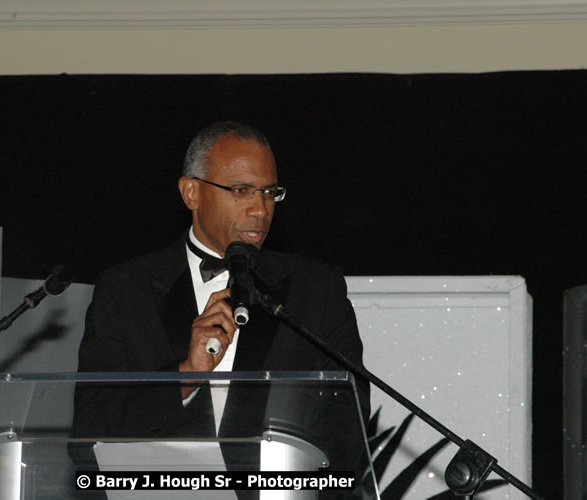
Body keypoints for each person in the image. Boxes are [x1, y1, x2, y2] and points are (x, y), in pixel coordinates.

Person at [71, 122, 370, 497]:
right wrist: (184, 376)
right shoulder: (125, 289)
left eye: (269, 192)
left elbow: (346, 430)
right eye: (241, 190)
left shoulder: (316, 289)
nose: (260, 210)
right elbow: (88, 436)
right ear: (191, 192)